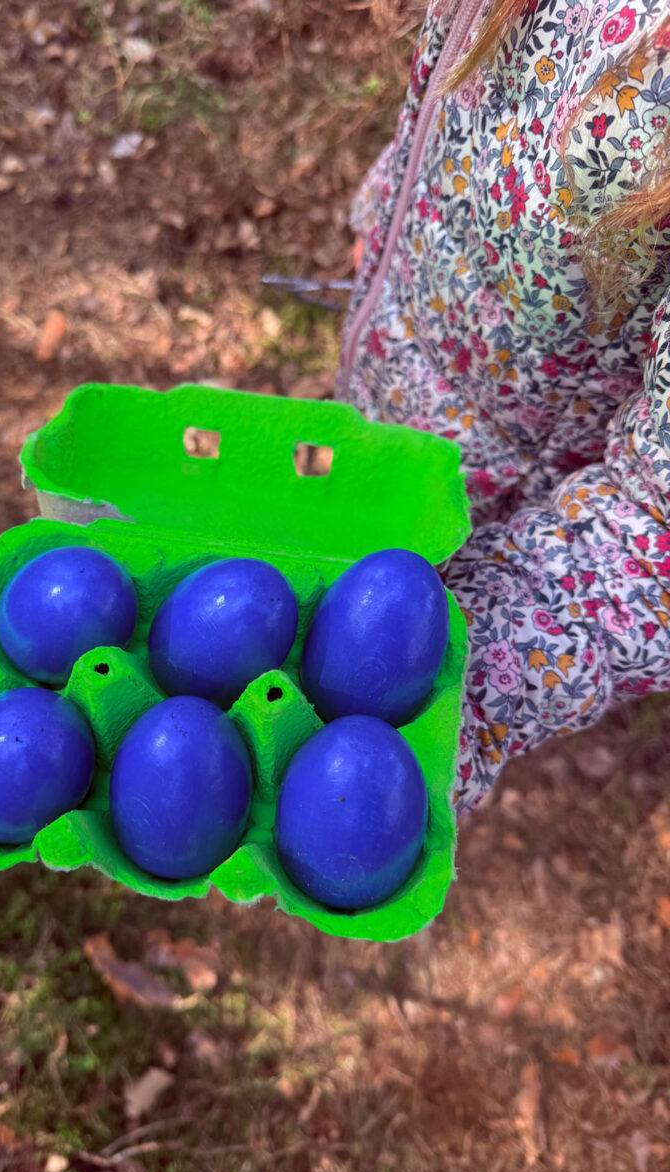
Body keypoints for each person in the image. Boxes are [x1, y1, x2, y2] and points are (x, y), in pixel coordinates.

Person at [338, 0, 670, 812]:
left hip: (524, 522)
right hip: (403, 368)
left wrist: (463, 676)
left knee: (389, 605)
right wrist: (385, 209)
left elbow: (656, 529)